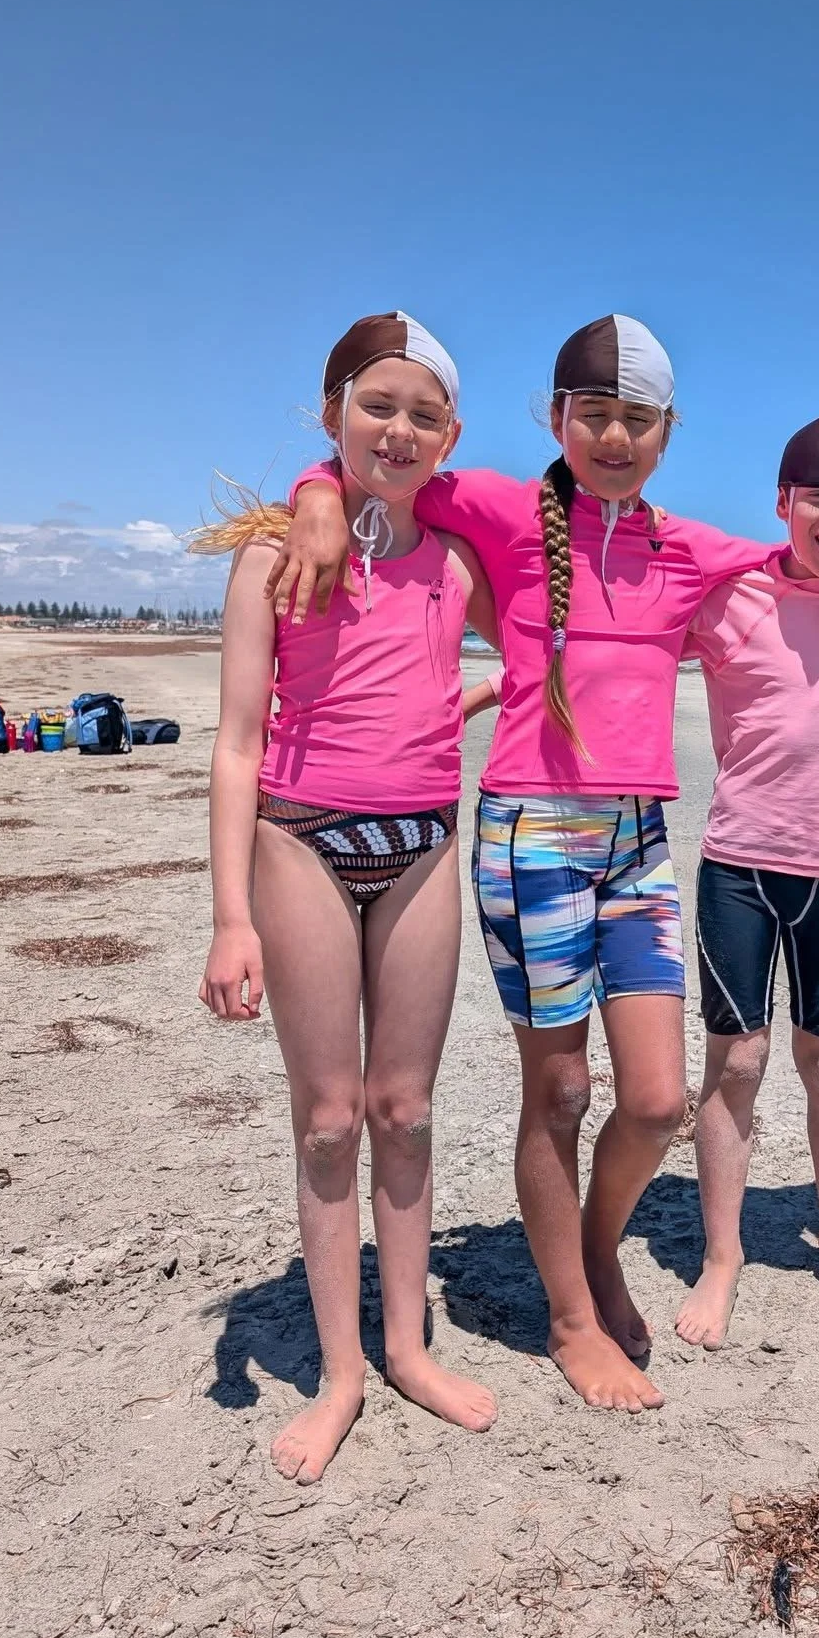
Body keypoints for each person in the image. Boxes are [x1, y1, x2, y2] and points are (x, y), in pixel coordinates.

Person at [268, 317, 819, 1412]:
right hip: (531, 831)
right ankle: (571, 1315)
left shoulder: (690, 545)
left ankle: (592, 1248)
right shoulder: (508, 510)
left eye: (639, 419)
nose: (615, 435)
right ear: (557, 418)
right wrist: (318, 500)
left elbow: (814, 548)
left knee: (659, 1097)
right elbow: (384, 468)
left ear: (668, 432)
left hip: (638, 837)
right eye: (594, 414)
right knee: (560, 1086)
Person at [195, 313, 502, 1482]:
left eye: (425, 413)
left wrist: (469, 698)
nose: (400, 427)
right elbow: (233, 743)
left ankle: (411, 1345)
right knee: (327, 1117)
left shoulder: (459, 558)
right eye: (377, 404)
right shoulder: (273, 555)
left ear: (451, 436)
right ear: (331, 413)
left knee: (405, 1108)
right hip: (301, 841)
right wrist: (231, 914)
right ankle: (341, 1370)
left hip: (422, 840)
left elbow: (559, 618)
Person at [675, 410, 819, 1350]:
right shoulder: (728, 599)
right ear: (783, 502)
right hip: (737, 863)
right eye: (818, 496)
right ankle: (722, 1255)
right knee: (735, 1062)